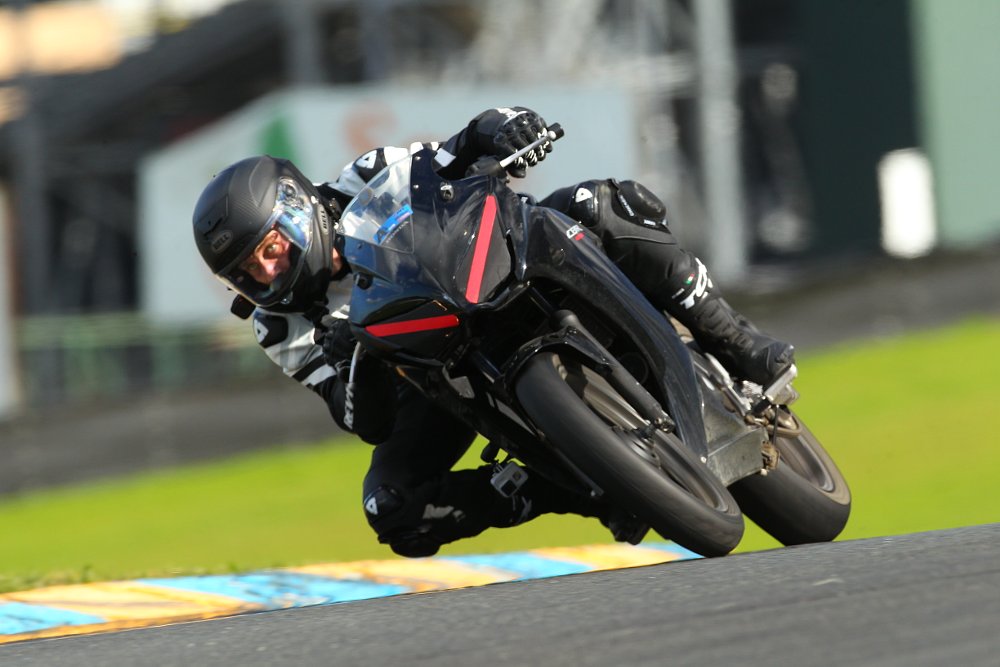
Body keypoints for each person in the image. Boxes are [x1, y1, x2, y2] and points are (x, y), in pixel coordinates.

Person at [192, 107, 794, 557]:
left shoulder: (365, 176)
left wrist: (497, 130)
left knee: (600, 203)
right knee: (393, 508)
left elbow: (446, 156)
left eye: (270, 249)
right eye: (248, 271)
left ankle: (733, 338)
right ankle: (561, 487)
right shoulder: (278, 326)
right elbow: (359, 419)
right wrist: (356, 356)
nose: (267, 273)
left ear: (297, 209)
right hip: (433, 373)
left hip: (492, 264)